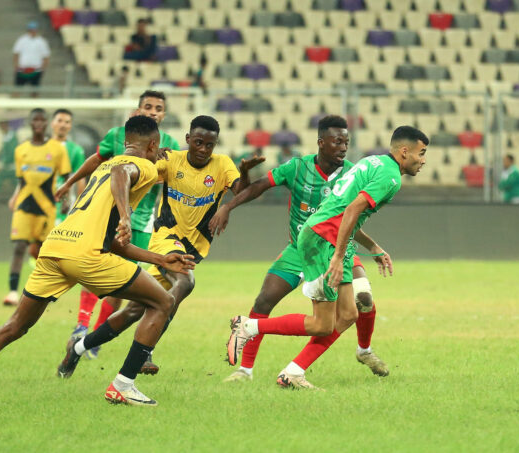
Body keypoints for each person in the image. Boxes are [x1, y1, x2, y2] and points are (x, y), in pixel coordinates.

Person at [0, 116, 196, 409]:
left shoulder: (103, 167)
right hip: (86, 255)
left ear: (125, 141)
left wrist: (160, 259)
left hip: (55, 247)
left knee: (15, 326)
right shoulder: (139, 166)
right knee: (162, 302)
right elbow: (123, 172)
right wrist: (125, 215)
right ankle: (123, 385)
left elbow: (114, 242)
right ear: (154, 144)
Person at [55, 115, 264, 379]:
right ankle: (145, 352)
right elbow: (140, 170)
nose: (202, 149)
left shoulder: (223, 164)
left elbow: (240, 190)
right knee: (186, 282)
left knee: (133, 311)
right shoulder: (171, 160)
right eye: (198, 142)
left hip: (194, 247)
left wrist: (243, 174)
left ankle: (77, 348)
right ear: (188, 139)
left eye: (209, 145)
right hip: (165, 239)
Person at [226, 126, 429, 390]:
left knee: (347, 314)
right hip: (324, 240)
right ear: (405, 151)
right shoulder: (391, 177)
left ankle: (293, 372)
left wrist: (372, 247)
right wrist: (339, 256)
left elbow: (341, 207)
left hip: (326, 235)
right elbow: (352, 211)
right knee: (322, 324)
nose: (423, 160)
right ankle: (249, 327)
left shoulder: (372, 162)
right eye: (421, 153)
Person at [56, 90, 180, 362]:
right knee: (95, 265)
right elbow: (97, 160)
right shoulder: (118, 135)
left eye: (158, 108)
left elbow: (171, 179)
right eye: (148, 106)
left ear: (164, 114)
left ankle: (95, 338)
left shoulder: (169, 144)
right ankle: (81, 325)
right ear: (138, 109)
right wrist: (68, 183)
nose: (153, 111)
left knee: (125, 281)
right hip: (110, 216)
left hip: (144, 222)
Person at [3, 109, 71, 307]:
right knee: (19, 247)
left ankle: (47, 290)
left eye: (42, 120)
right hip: (23, 206)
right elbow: (21, 179)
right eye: (35, 120)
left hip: (46, 206)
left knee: (43, 251)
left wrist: (66, 200)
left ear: (46, 123)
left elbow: (66, 176)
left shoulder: (57, 149)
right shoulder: (20, 150)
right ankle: (13, 292)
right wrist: (14, 197)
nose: (39, 123)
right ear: (30, 123)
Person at [50, 108, 86, 222]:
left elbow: (81, 180)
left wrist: (80, 207)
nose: (63, 125)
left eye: (67, 122)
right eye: (59, 121)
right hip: (43, 201)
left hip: (64, 204)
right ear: (52, 123)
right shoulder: (43, 147)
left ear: (70, 126)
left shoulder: (76, 150)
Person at [13, 22, 50, 90]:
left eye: (34, 30)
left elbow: (46, 56)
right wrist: (16, 65)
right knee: (17, 90)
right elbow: (16, 54)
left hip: (36, 68)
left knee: (35, 90)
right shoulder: (21, 40)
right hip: (22, 68)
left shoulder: (42, 41)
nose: (33, 32)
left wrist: (43, 68)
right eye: (31, 30)